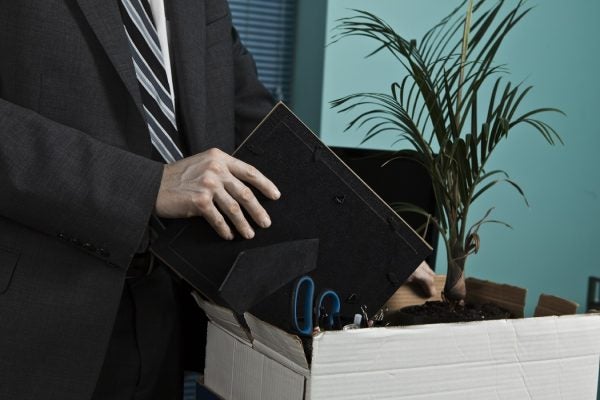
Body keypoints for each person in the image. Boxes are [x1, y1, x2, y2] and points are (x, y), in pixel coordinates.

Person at [0, 1, 436, 399]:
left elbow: (256, 122)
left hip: (165, 305)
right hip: (33, 314)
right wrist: (147, 185)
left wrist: (374, 240)